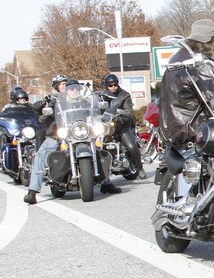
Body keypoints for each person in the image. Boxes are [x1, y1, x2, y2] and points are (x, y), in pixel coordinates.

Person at [24, 74, 120, 204]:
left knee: (101, 147)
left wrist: (104, 102)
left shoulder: (86, 101)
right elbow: (39, 108)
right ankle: (32, 191)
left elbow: (96, 110)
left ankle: (106, 182)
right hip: (59, 135)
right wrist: (42, 104)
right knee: (41, 154)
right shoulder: (56, 101)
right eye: (70, 89)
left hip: (84, 133)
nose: (74, 91)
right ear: (64, 90)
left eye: (76, 89)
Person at [160, 19, 214, 148]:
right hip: (195, 134)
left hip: (171, 135)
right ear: (213, 41)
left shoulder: (174, 61)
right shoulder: (201, 64)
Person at [98, 73, 146, 179]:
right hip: (105, 128)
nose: (113, 87)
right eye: (110, 85)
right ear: (106, 85)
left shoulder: (124, 95)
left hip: (122, 127)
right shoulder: (100, 95)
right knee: (97, 148)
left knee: (132, 147)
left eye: (115, 85)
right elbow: (93, 109)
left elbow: (128, 112)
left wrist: (120, 117)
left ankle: (139, 167)